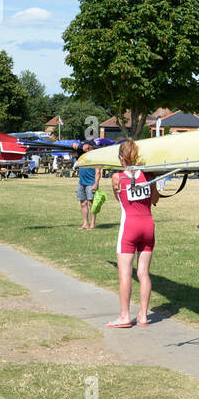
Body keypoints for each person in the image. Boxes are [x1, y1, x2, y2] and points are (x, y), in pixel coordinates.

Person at [107, 140, 158, 328]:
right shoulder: (149, 175)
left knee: (125, 274)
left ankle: (124, 316)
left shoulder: (117, 178)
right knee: (144, 273)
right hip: (148, 226)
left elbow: (117, 197)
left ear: (121, 158)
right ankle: (143, 316)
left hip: (129, 226)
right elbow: (155, 200)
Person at [76, 142, 99, 230]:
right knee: (83, 203)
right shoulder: (82, 155)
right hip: (81, 182)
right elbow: (72, 150)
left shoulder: (96, 156)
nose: (82, 146)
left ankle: (92, 223)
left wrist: (96, 184)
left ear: (89, 146)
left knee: (91, 203)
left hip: (91, 183)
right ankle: (85, 223)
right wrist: (73, 144)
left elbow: (98, 172)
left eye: (84, 144)